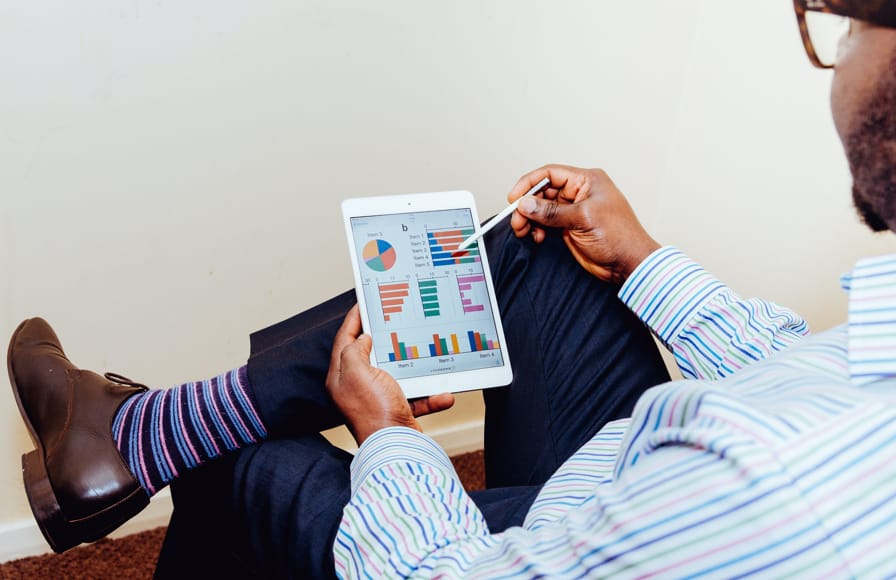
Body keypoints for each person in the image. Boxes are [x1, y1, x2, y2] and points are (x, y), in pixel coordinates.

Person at [8, 0, 896, 576]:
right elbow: (812, 372)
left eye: (851, 24)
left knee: (249, 461)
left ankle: (145, 437)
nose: (840, 56)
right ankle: (128, 438)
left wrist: (390, 436)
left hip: (547, 545)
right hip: (630, 479)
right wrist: (642, 258)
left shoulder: (787, 486)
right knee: (538, 244)